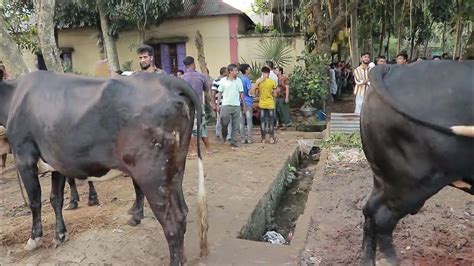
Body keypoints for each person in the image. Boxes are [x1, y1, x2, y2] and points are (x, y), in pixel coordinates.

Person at [182, 56, 215, 155]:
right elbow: (207, 91)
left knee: (192, 127)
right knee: (202, 126)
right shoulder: (201, 76)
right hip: (199, 105)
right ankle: (207, 149)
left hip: (187, 106)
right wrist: (212, 103)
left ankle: (194, 150)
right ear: (193, 64)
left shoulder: (183, 78)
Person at [216, 64, 244, 148]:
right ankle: (224, 135)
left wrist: (243, 104)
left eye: (237, 70)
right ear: (230, 71)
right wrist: (218, 105)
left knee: (235, 125)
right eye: (235, 70)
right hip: (225, 105)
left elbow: (241, 93)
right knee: (224, 122)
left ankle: (233, 141)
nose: (237, 72)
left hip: (236, 105)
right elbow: (220, 93)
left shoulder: (238, 80)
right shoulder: (223, 81)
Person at [250, 67, 277, 144]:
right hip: (270, 104)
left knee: (262, 122)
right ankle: (271, 138)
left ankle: (263, 139)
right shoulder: (273, 82)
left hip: (262, 105)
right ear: (269, 73)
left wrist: (258, 86)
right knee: (271, 122)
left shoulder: (259, 82)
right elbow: (275, 94)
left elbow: (255, 93)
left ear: (262, 73)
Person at [211, 66, 229, 141]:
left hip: (227, 102)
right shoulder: (216, 80)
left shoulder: (228, 80)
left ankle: (227, 135)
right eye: (228, 71)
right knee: (219, 119)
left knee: (227, 120)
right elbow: (213, 93)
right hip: (220, 103)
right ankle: (218, 134)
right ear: (225, 72)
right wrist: (214, 104)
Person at [239, 63, 254, 144]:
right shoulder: (247, 80)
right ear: (246, 70)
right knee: (249, 121)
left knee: (241, 121)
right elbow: (250, 92)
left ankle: (242, 138)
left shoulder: (238, 79)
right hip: (247, 102)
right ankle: (249, 138)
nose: (250, 69)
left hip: (239, 102)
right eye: (249, 68)